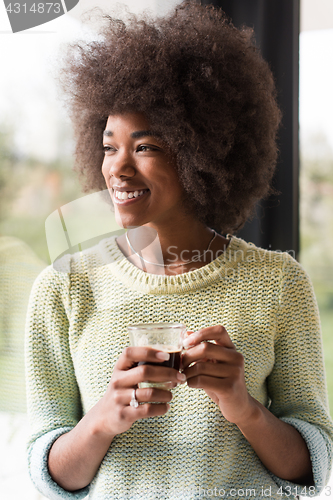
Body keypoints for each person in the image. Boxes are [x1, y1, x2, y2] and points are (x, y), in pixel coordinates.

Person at [25, 2, 333, 499]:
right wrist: (102, 420)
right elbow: (49, 474)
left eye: (145, 147)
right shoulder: (64, 286)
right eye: (109, 146)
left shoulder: (278, 282)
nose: (118, 169)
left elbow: (311, 467)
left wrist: (243, 407)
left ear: (201, 153)